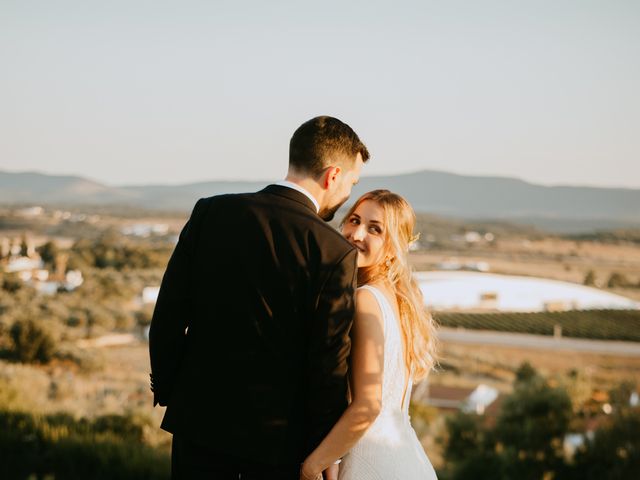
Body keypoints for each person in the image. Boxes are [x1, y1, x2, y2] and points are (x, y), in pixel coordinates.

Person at [148, 115, 369, 479]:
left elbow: (169, 316)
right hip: (279, 445)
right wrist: (325, 451)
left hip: (197, 425)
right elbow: (328, 366)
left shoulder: (211, 212)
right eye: (351, 182)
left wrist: (175, 391)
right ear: (332, 176)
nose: (347, 194)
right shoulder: (332, 251)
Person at [300, 190, 439, 480]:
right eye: (354, 220)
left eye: (374, 229)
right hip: (407, 460)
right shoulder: (399, 302)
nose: (356, 233)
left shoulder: (365, 299)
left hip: (371, 463)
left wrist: (312, 467)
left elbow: (367, 406)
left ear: (392, 247)